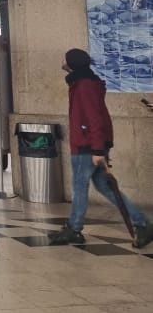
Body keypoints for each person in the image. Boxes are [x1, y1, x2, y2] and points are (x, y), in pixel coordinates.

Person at [49, 48, 153, 248]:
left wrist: (98, 149)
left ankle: (75, 229)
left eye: (65, 58)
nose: (62, 60)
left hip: (87, 147)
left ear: (73, 62)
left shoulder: (84, 86)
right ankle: (142, 223)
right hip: (92, 145)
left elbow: (95, 119)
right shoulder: (83, 83)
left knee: (80, 187)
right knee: (105, 187)